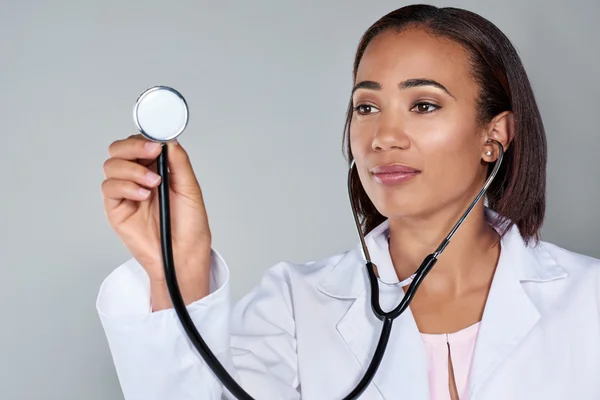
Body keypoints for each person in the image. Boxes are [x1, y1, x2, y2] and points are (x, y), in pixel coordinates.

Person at [97, 4, 600, 400]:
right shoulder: (294, 305)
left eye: (423, 105)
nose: (384, 136)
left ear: (496, 135)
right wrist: (177, 271)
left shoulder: (589, 300)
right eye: (366, 106)